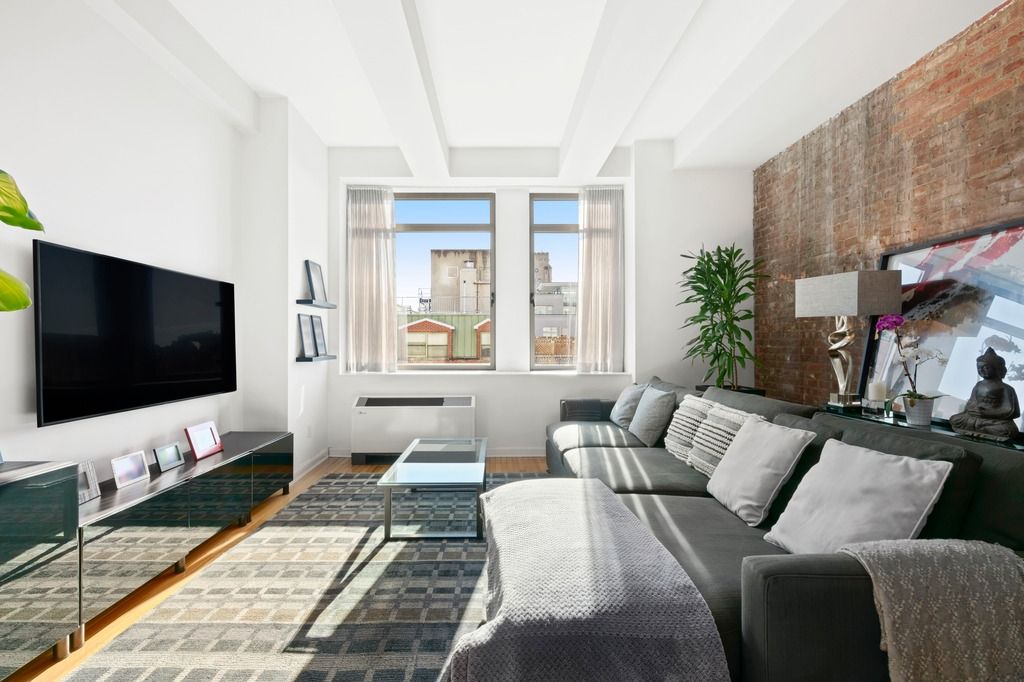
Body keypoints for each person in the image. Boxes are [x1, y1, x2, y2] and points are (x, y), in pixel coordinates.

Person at [950, 348, 1021, 442]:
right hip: (976, 419)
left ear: (997, 369)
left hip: (994, 421)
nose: (981, 370)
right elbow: (972, 402)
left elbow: (1013, 411)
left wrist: (989, 413)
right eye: (979, 368)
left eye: (986, 367)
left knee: (1006, 430)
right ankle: (980, 428)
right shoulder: (978, 385)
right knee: (955, 420)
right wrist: (973, 410)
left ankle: (980, 428)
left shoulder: (1006, 388)